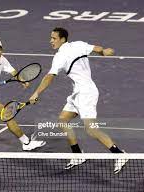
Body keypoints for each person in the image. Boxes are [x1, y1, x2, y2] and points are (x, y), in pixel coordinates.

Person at [29, 27, 128, 173]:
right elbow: (96, 48)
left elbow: (49, 77)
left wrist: (36, 93)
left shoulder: (60, 56)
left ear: (62, 39)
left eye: (54, 38)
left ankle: (119, 154)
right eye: (51, 38)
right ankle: (77, 155)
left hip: (85, 93)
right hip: (78, 93)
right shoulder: (79, 44)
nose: (51, 41)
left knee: (91, 129)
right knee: (63, 120)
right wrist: (104, 51)